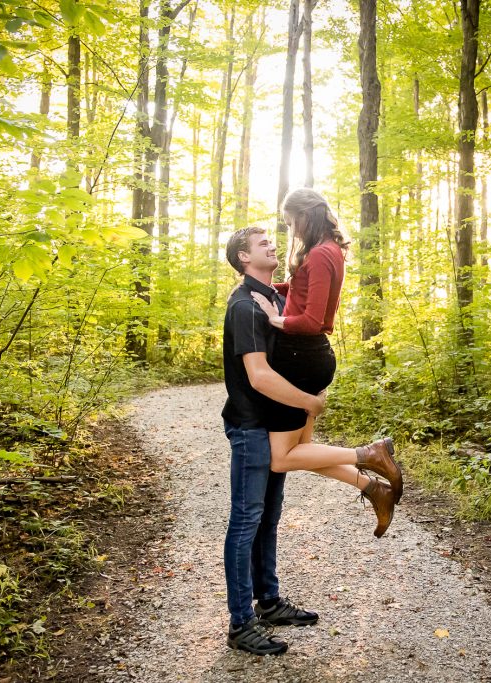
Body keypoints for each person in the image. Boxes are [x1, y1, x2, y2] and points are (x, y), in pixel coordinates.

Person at [249, 188, 403, 536]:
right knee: (304, 451)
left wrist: (276, 318)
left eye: (292, 223)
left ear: (306, 215)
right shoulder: (329, 251)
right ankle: (372, 488)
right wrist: (272, 289)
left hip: (300, 356)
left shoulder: (319, 255)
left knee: (281, 457)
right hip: (311, 355)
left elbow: (312, 319)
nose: (293, 231)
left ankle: (371, 454)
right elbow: (302, 290)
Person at [221, 226, 323, 656]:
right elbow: (259, 376)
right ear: (244, 257)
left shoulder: (276, 299)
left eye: (272, 241)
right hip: (250, 428)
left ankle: (269, 602)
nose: (273, 246)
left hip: (277, 426)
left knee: (268, 518)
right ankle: (240, 623)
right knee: (246, 521)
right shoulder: (244, 306)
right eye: (263, 244)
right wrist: (310, 403)